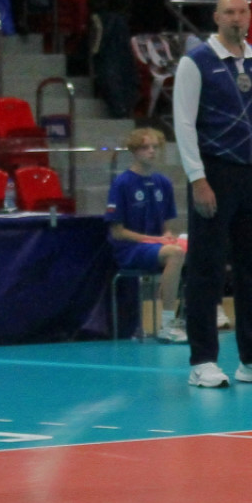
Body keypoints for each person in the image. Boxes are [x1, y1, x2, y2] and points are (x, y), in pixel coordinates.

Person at [171, 0, 252, 388]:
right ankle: (202, 360)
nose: (236, 18)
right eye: (229, 12)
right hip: (214, 174)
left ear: (249, 16)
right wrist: (197, 178)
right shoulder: (196, 62)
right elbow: (183, 125)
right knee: (206, 269)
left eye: (242, 11)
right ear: (216, 17)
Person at [108, 126, 188, 343]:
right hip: (130, 249)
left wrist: (168, 236)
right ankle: (167, 324)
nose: (151, 151)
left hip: (156, 246)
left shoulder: (163, 183)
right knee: (175, 254)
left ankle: (188, 317)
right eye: (145, 147)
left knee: (194, 248)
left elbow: (165, 227)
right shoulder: (122, 183)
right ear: (134, 151)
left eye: (155, 147)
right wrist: (155, 240)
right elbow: (117, 232)